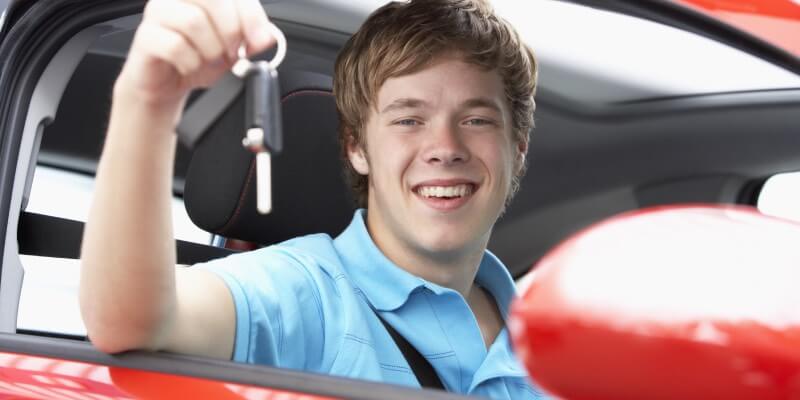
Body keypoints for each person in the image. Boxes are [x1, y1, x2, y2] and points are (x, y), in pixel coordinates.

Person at [79, 0, 541, 398]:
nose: (446, 147)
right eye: (408, 120)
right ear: (356, 148)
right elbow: (134, 321)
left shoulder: (553, 335)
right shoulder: (304, 293)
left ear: (517, 148)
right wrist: (147, 98)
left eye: (477, 120)